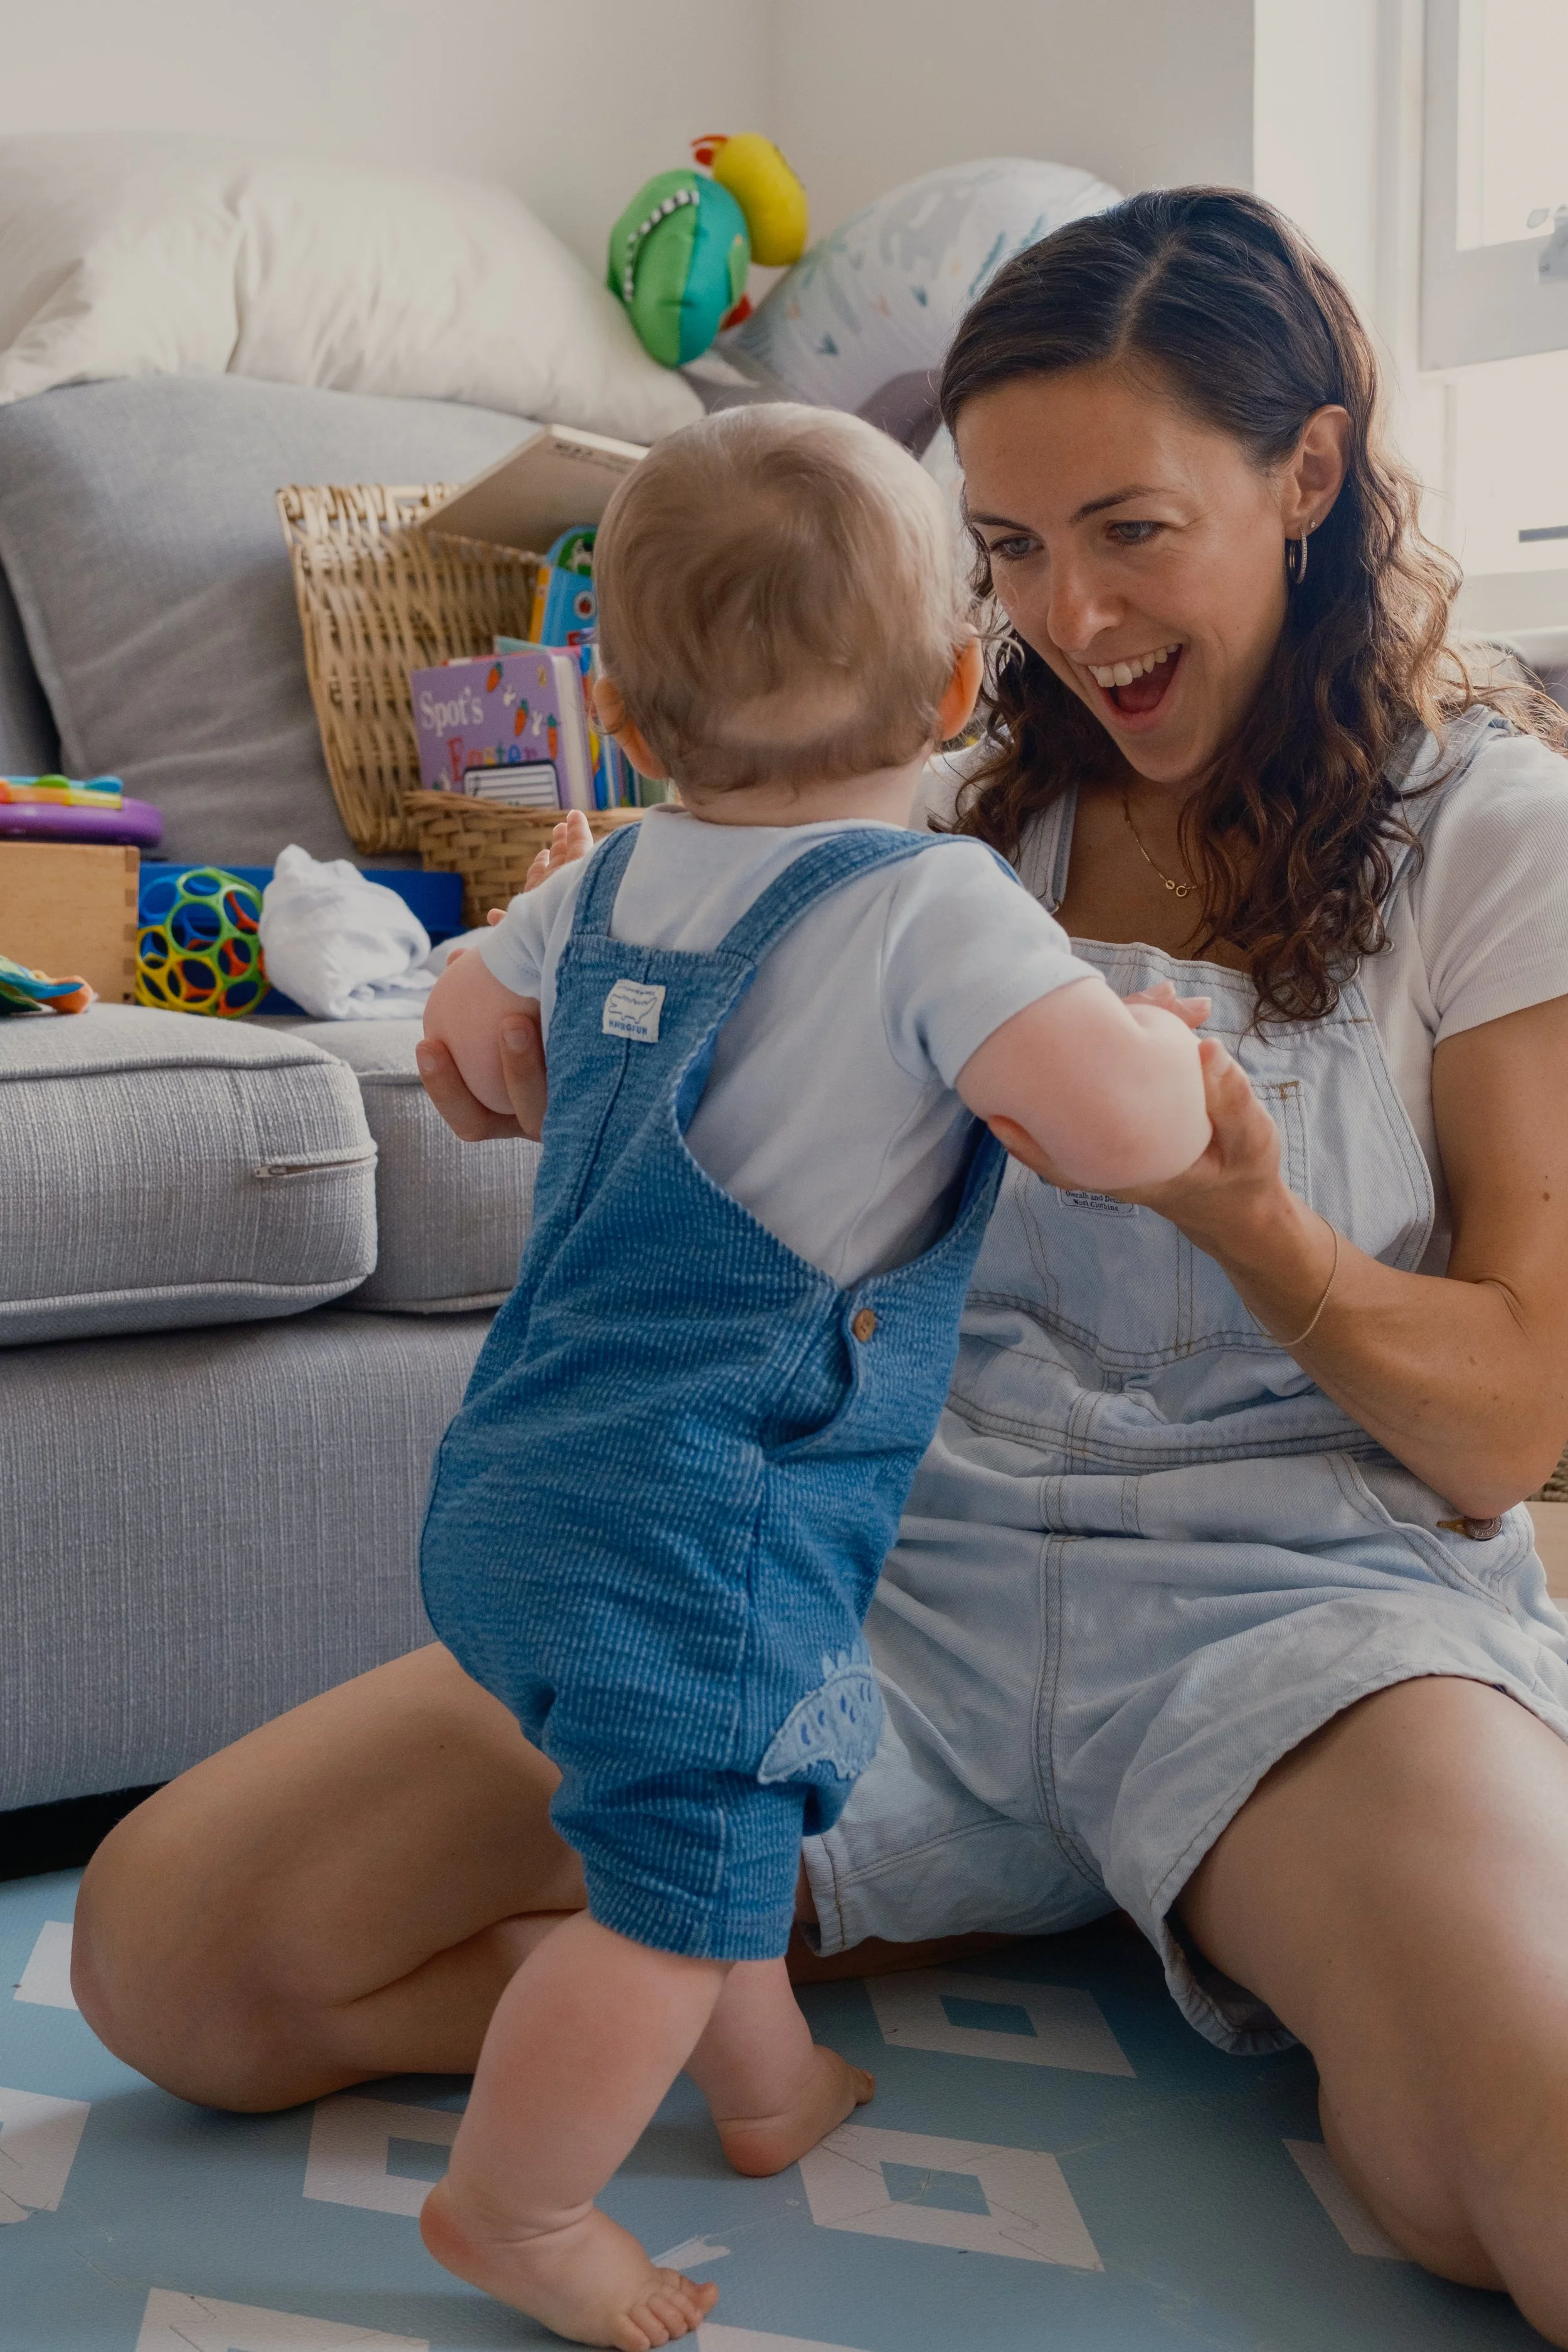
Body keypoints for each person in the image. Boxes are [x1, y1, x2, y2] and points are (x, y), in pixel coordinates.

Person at [68, 188, 1568, 2345]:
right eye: (1013, 549)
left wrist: (1250, 1217)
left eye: (1129, 529)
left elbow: (1509, 1415)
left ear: (1307, 474)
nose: (1071, 616)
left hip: (1292, 1622)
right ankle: (758, 1938)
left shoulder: (1492, 834)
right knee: (182, 1950)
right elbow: (603, 992)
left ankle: (882, 1918)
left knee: (1496, 2167)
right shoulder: (919, 802)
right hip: (854, 1586)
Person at [411, 401, 1209, 2346]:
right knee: (674, 1890)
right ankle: (514, 2206)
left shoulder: (597, 886)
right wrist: (1164, 1047)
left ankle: (766, 2094)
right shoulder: (930, 905)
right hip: (713, 1513)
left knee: (720, 1808)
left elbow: (461, 1036)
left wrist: (522, 1065)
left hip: (514, 1482)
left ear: (622, 700)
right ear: (955, 677)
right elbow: (1115, 1136)